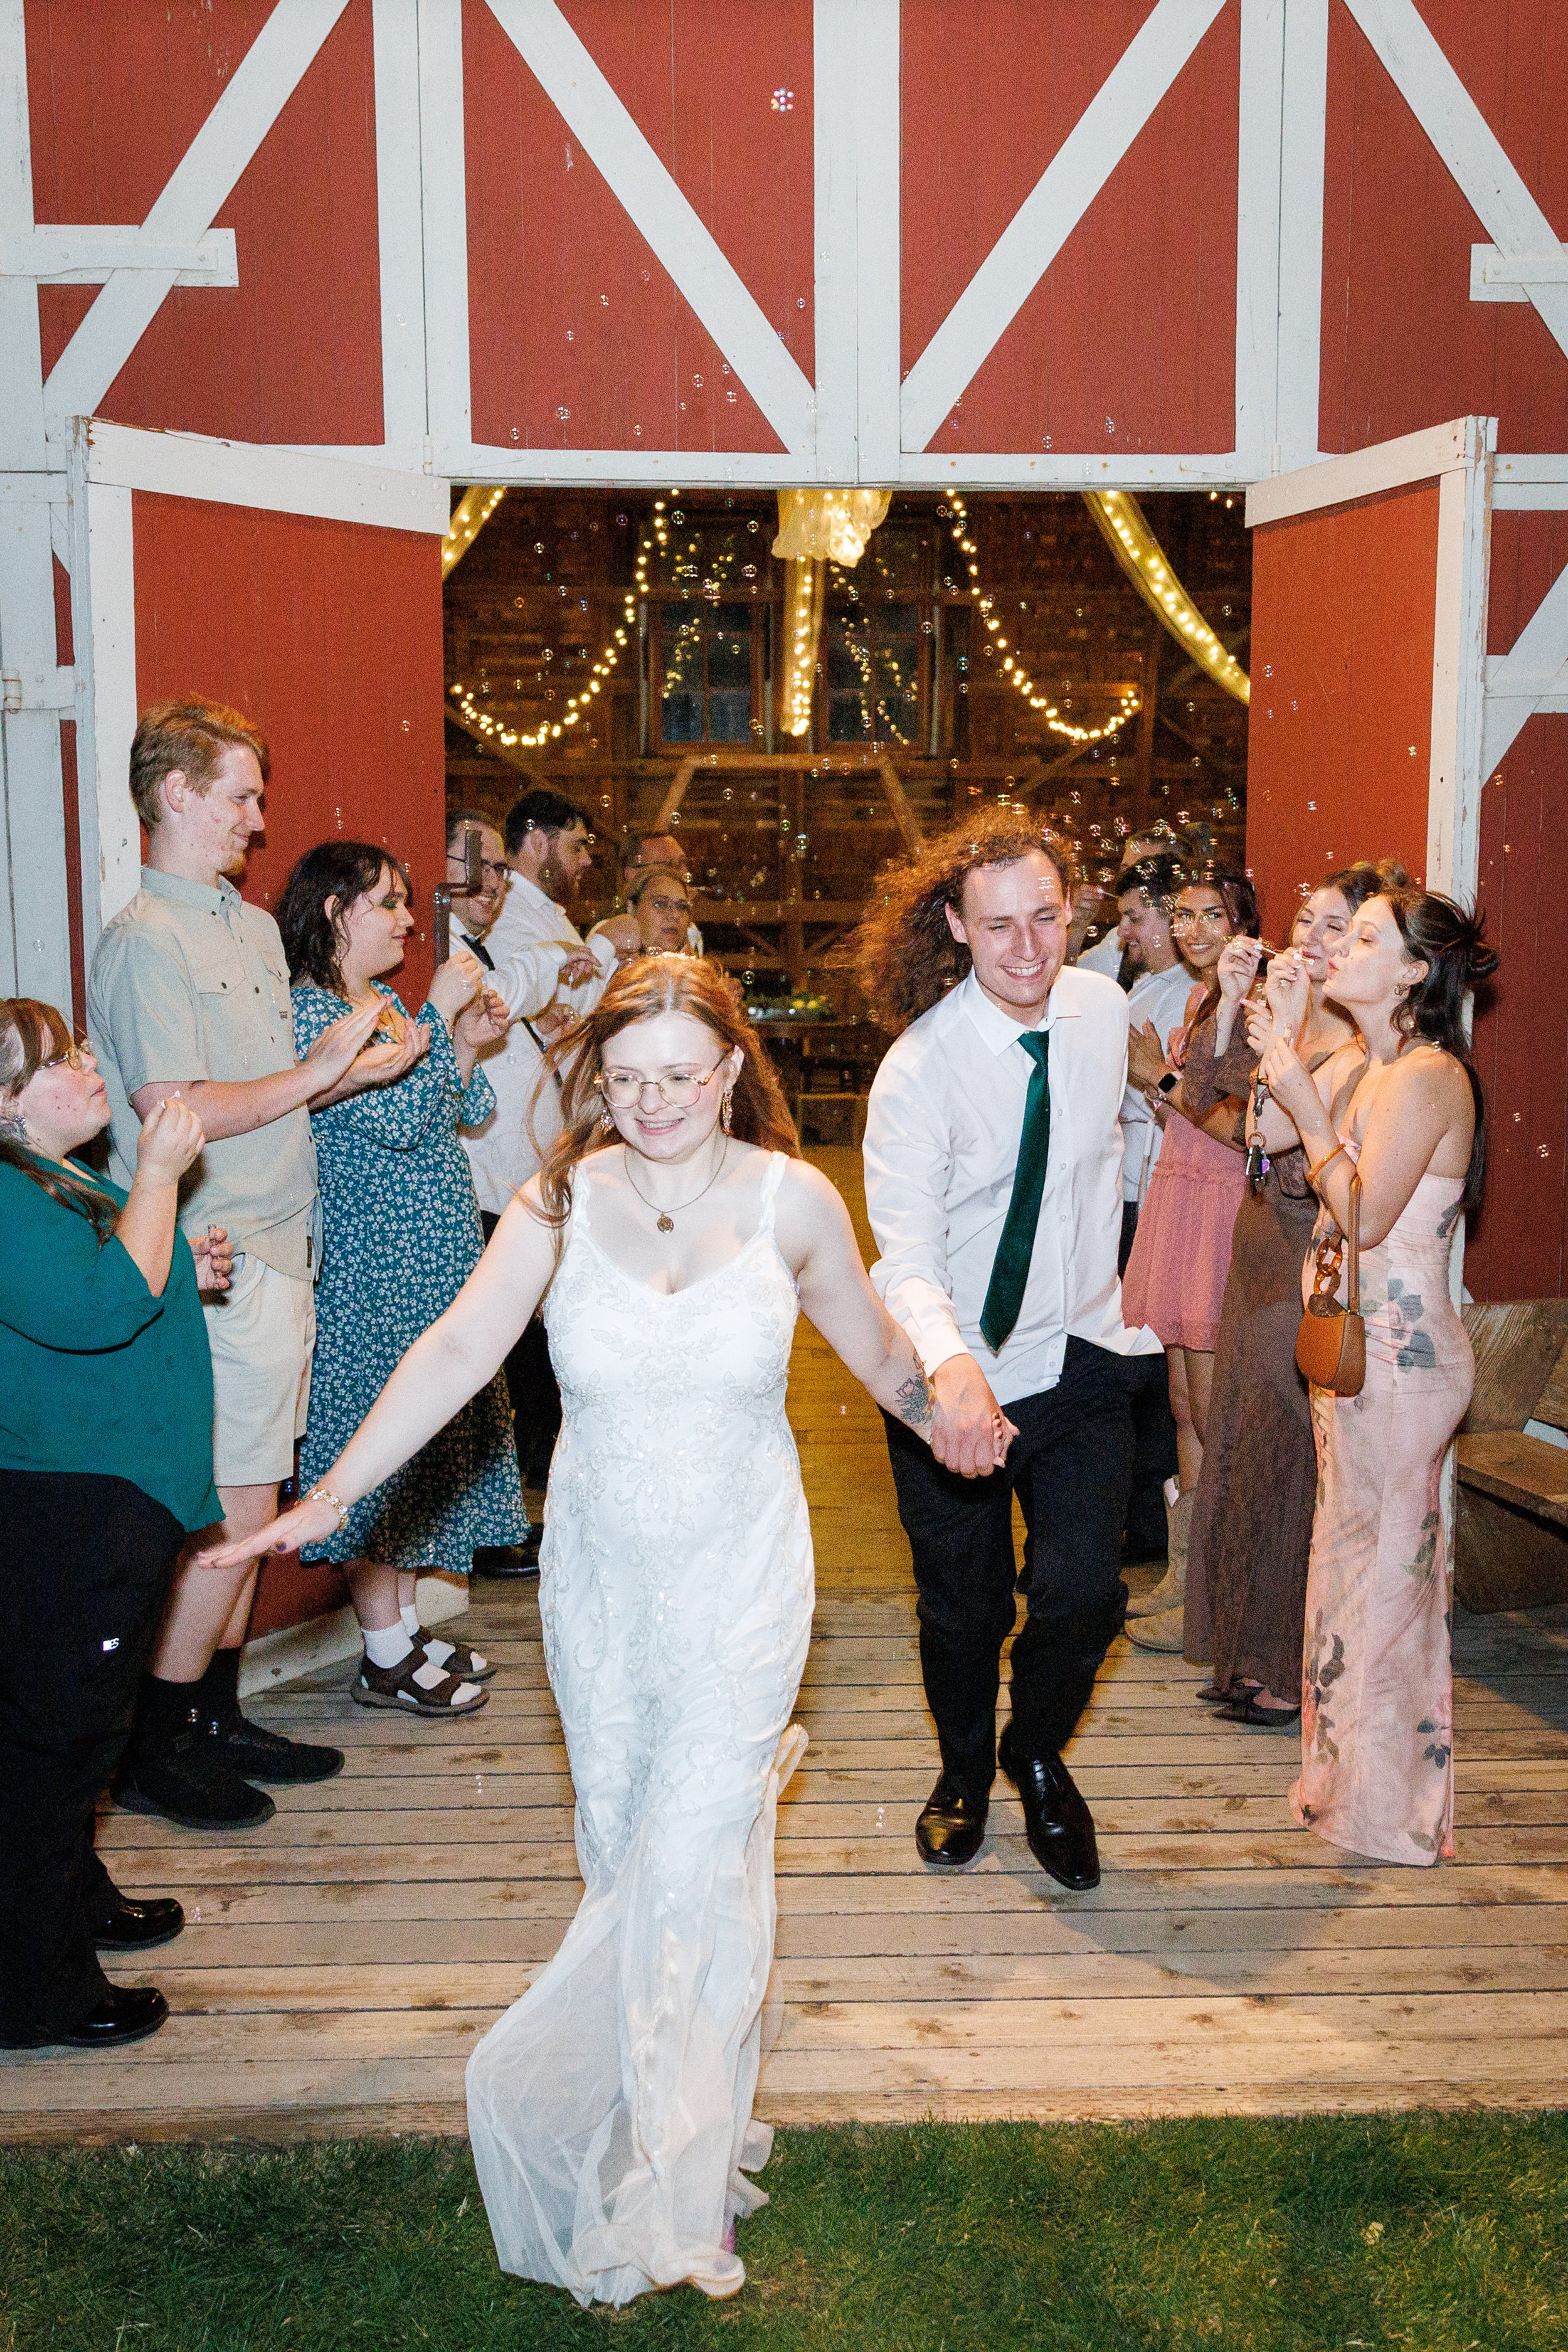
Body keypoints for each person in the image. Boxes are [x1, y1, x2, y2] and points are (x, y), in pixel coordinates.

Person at [200, 955, 946, 2304]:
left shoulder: (792, 1201)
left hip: (741, 1580)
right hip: (600, 1589)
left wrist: (953, 1411)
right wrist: (330, 1490)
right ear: (595, 1079)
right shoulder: (555, 1200)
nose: (652, 1103)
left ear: (729, 1071)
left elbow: (875, 1348)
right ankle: (657, 2100)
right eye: (625, 1079)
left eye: (680, 1076)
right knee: (625, 1851)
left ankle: (684, 2186)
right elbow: (451, 1352)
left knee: (697, 1857)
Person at [87, 699, 400, 1830]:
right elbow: (178, 1111)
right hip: (218, 1260)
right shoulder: (143, 942)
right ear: (175, 794)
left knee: (255, 1498)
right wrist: (320, 1073)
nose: (258, 821)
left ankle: (212, 1716)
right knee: (222, 1514)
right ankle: (162, 1745)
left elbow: (275, 1090)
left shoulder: (251, 929)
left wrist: (359, 1066)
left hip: (285, 1245)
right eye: (239, 796)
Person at [857, 812, 1162, 1891]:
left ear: (1072, 910)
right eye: (998, 928)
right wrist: (951, 1372)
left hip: (1084, 1355)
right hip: (953, 1376)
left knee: (1086, 1594)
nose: (1027, 949)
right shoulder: (919, 1070)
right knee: (965, 1609)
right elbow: (904, 1256)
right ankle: (960, 1773)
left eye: (1046, 918)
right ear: (956, 926)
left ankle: (1034, 1750)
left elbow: (1113, 1162)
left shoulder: (1101, 1007)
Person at [0, 1000, 227, 2048]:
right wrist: (158, 1177)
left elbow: (123, 1274)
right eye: (58, 1062)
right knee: (55, 1745)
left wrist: (189, 1258)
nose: (89, 1068)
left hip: (115, 1499)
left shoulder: (55, 1177)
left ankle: (72, 1904)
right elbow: (99, 1312)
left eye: (83, 1049)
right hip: (73, 1507)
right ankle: (38, 1989)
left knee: (79, 1729)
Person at [1256, 890, 1495, 1865]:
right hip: (1359, 1365)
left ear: (1411, 972)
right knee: (1350, 1574)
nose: (1334, 945)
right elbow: (1267, 1139)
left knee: (1390, 1587)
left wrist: (1311, 1105)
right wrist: (1284, 1034)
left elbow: (1360, 1214)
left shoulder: (1430, 1075)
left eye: (1361, 937)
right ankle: (1346, 1784)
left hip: (1402, 1368)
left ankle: (1389, 1813)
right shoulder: (1378, 1067)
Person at [277, 841, 526, 1711]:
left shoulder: (380, 1001)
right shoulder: (313, 1017)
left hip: (432, 1249)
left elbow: (466, 1108)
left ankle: (405, 1632)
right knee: (379, 1449)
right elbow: (394, 1121)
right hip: (376, 1259)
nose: (409, 919)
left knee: (422, 1452)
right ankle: (384, 1654)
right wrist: (438, 1014)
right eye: (389, 903)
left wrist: (464, 1040)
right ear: (338, 910)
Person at [1194, 864, 1403, 1725]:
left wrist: (1274, 1028)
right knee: (1242, 1453)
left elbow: (1268, 1130)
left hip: (1296, 1262)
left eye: (1337, 927)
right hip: (1255, 1255)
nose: (1314, 940)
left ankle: (1282, 1669)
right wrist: (1248, 1015)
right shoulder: (1301, 1028)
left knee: (1285, 1464)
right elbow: (1232, 1118)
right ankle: (1246, 1652)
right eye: (1308, 921)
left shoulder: (1353, 1049)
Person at [1120, 866, 1259, 1649]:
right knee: (1180, 1405)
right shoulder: (1203, 998)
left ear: (1244, 923)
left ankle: (1221, 1590)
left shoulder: (1254, 1003)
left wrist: (1158, 1078)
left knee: (1213, 1408)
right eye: (1186, 916)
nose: (1197, 930)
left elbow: (1241, 1125)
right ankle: (1184, 1583)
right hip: (1177, 1193)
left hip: (1216, 1202)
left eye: (1216, 915)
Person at [474, 788, 611, 1508]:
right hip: (501, 1136)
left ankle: (542, 1459)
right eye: (577, 844)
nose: (585, 860)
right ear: (537, 838)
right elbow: (490, 996)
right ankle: (531, 1465)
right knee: (520, 1311)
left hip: (540, 1129)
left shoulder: (544, 918)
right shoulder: (510, 918)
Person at [1112, 854, 1194, 1575]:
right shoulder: (1141, 985)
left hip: (1158, 1188)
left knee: (1151, 1369)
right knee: (1139, 1365)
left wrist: (1138, 1078)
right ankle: (1138, 1517)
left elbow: (1156, 1096)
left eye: (1137, 916)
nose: (1124, 929)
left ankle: (1150, 1521)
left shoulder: (1179, 996)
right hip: (1129, 1186)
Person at [589, 831, 704, 960]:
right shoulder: (608, 936)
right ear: (632, 874)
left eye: (683, 862)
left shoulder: (689, 931)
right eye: (668, 865)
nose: (682, 872)